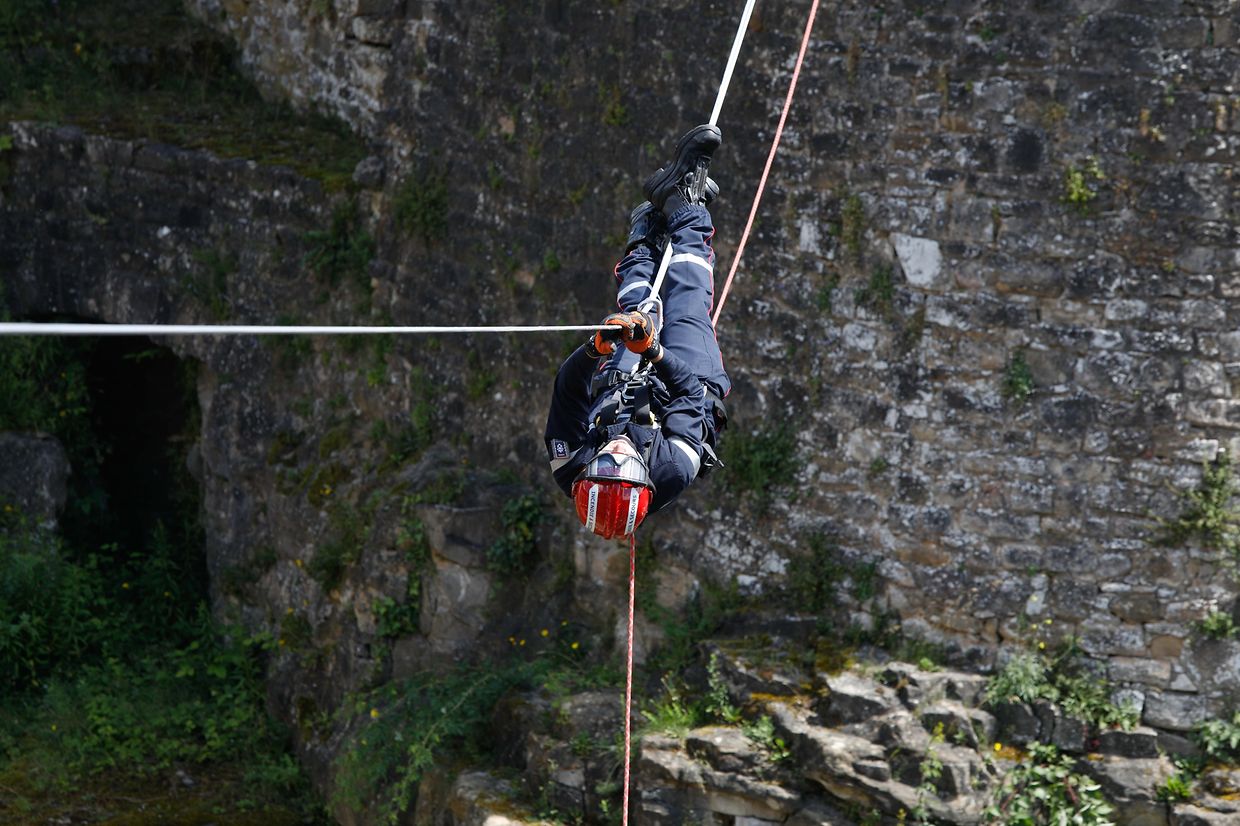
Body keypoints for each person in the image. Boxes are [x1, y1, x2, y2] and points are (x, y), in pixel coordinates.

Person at [545, 124, 731, 539]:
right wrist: (656, 354)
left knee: (635, 315)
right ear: (642, 477)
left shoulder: (571, 464)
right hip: (691, 391)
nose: (612, 452)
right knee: (688, 300)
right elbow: (689, 394)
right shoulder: (674, 466)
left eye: (602, 462)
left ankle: (646, 232)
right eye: (621, 463)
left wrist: (594, 349)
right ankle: (684, 209)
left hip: (625, 387)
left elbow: (567, 391)